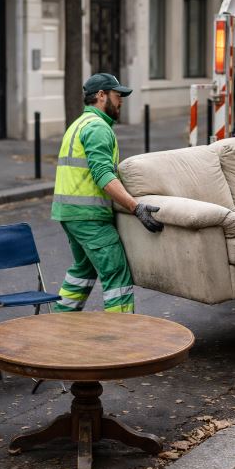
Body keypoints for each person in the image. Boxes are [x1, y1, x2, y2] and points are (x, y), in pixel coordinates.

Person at [51, 73, 163, 314]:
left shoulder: (79, 124)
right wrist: (136, 207)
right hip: (89, 217)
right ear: (101, 95)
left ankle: (58, 323)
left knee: (83, 270)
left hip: (70, 213)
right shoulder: (97, 128)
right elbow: (103, 175)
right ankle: (122, 331)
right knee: (116, 273)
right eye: (117, 95)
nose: (121, 100)